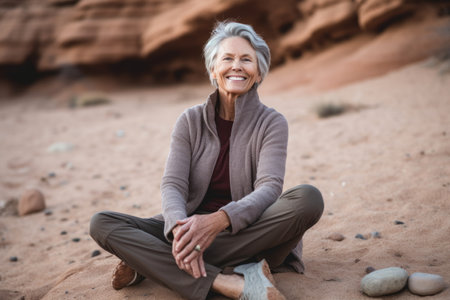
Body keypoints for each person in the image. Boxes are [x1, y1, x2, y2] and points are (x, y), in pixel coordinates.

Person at [90, 21, 324, 300]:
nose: (237, 66)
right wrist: (178, 228)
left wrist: (219, 220)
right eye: (227, 58)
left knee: (308, 198)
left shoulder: (272, 122)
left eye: (246, 60)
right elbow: (173, 184)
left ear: (259, 73)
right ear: (213, 69)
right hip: (190, 225)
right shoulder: (190, 120)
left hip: (251, 230)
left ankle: (150, 263)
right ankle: (224, 281)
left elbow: (269, 187)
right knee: (102, 223)